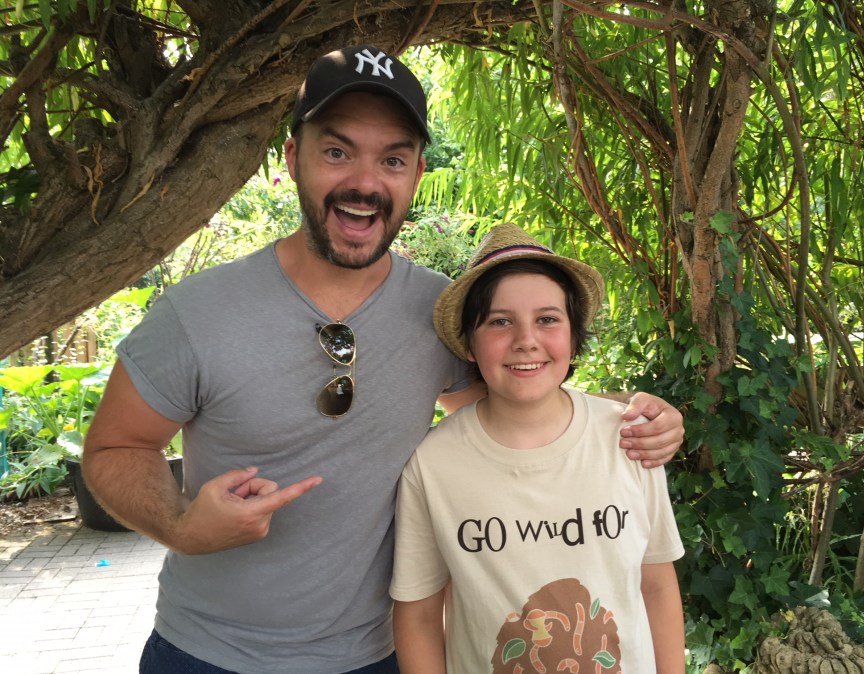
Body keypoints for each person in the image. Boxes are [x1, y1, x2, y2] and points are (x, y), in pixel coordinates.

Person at [82, 45, 684, 674]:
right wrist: (182, 525)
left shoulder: (438, 312)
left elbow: (513, 402)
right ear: (292, 157)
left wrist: (629, 414)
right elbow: (114, 449)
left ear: (417, 173)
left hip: (379, 655)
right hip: (210, 655)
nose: (365, 183)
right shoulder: (197, 312)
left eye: (392, 159)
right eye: (337, 152)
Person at [390, 222, 685, 673]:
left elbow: (657, 586)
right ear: (469, 344)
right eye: (500, 321)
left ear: (574, 335)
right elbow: (420, 614)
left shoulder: (628, 440)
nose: (526, 340)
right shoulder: (433, 465)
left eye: (547, 319)